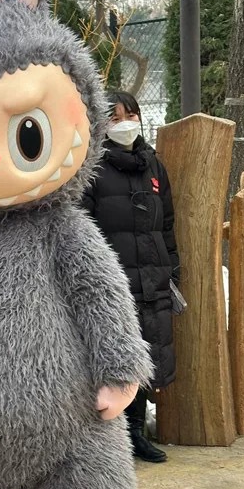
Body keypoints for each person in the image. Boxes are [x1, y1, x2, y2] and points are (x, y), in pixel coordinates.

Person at [82, 91, 180, 463]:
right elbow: (83, 229)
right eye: (115, 117)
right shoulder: (92, 168)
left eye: (131, 115)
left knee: (149, 353)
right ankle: (114, 437)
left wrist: (172, 268)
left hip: (152, 276)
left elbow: (166, 223)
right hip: (114, 284)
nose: (125, 123)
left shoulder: (153, 164)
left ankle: (136, 431)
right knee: (117, 358)